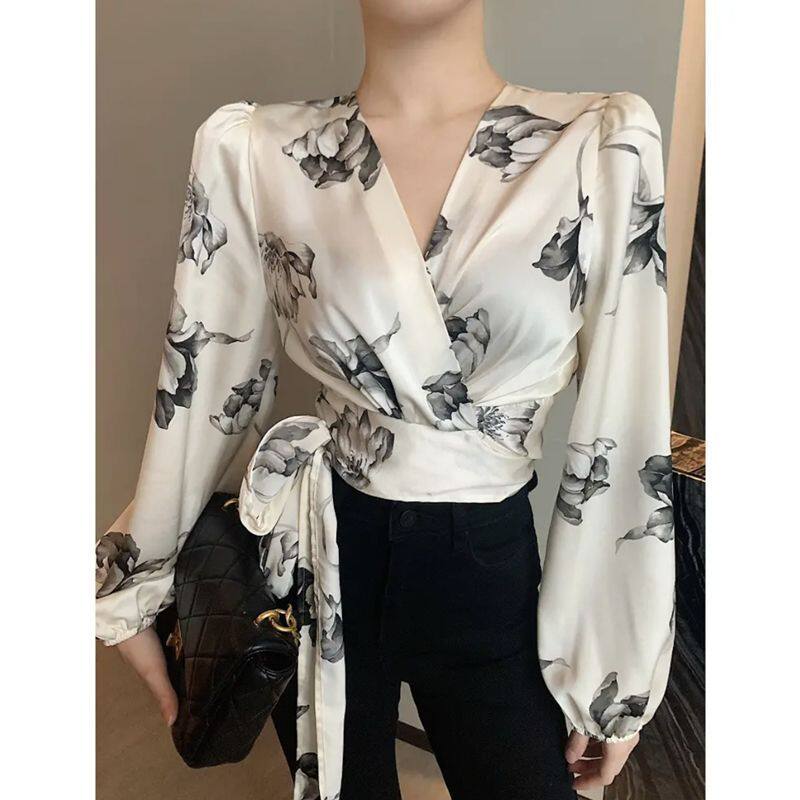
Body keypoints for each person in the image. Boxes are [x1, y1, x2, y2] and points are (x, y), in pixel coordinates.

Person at [95, 1, 675, 797]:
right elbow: (207, 389)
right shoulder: (256, 150)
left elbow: (624, 420)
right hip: (322, 552)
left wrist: (612, 670)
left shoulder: (598, 145)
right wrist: (136, 575)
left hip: (486, 573)